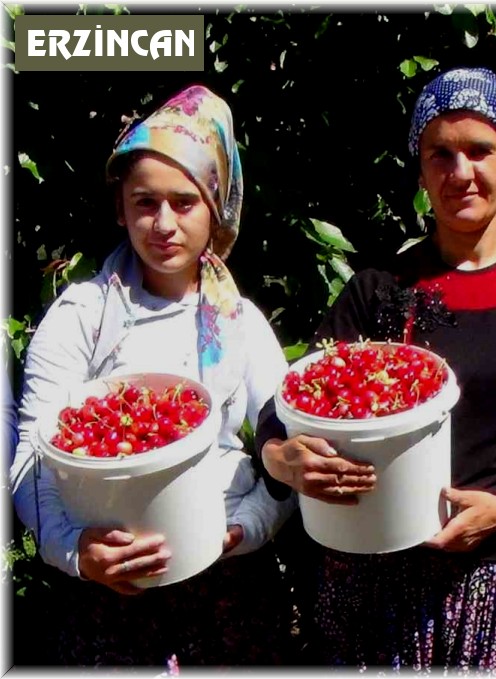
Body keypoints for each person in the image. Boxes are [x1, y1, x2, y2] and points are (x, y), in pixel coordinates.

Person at [254, 67, 496, 670]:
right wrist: (279, 457)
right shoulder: (381, 290)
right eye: (439, 154)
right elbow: (286, 406)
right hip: (367, 579)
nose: (460, 173)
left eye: (480, 151)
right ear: (421, 170)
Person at [9, 85, 297, 666]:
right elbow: (31, 463)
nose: (163, 223)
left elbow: (286, 449)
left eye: (184, 203)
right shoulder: (81, 318)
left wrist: (247, 529)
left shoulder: (238, 322)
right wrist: (76, 552)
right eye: (145, 202)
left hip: (227, 594)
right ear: (121, 208)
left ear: (214, 210)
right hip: (110, 602)